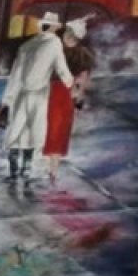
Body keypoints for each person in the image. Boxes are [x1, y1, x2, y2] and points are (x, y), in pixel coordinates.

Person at [0, 11, 73, 187]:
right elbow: (61, 68)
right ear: (53, 27)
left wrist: (7, 99)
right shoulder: (54, 43)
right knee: (33, 131)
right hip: (39, 94)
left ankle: (13, 169)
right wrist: (70, 83)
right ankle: (26, 169)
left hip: (20, 93)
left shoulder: (26, 45)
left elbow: (15, 74)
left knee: (17, 129)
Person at [42, 16, 96, 184]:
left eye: (70, 34)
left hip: (64, 93)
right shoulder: (56, 48)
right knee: (50, 129)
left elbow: (83, 77)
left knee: (58, 130)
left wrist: (78, 94)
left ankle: (52, 169)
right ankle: (50, 167)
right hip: (52, 91)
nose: (67, 36)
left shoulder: (80, 54)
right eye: (67, 33)